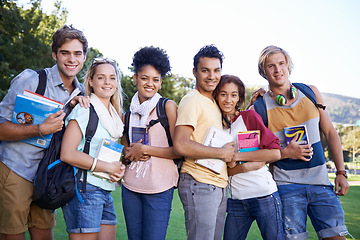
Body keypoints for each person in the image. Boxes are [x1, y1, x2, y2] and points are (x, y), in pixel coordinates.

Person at [249, 45, 349, 240]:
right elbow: (251, 150)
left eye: (281, 63)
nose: (278, 70)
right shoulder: (258, 107)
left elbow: (329, 132)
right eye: (271, 66)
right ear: (264, 71)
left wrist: (341, 172)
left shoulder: (310, 92)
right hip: (286, 187)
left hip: (321, 183)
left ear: (288, 66)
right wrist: (285, 152)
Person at [0, 25, 89, 240]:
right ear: (54, 54)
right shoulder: (32, 80)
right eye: (65, 52)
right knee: (12, 235)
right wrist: (40, 129)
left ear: (84, 57)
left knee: (44, 236)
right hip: (16, 169)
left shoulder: (82, 93)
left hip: (48, 177)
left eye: (77, 53)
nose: (71, 59)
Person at [173, 45, 235, 240]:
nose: (211, 76)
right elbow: (180, 144)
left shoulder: (215, 103)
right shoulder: (192, 100)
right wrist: (220, 153)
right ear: (195, 72)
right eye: (205, 70)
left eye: (216, 70)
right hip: (198, 183)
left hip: (217, 185)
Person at [60, 57, 125, 240]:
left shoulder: (114, 116)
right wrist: (107, 167)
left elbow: (106, 154)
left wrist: (117, 169)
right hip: (85, 189)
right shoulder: (84, 109)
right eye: (101, 77)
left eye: (112, 78)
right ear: (91, 81)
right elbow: (67, 153)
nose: (107, 82)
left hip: (105, 189)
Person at [213, 74, 284, 240]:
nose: (228, 100)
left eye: (233, 95)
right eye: (223, 94)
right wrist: (243, 167)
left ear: (239, 98)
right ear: (216, 95)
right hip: (236, 201)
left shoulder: (248, 117)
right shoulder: (214, 128)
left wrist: (236, 155)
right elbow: (221, 170)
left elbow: (275, 152)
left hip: (265, 196)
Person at [120, 46, 179, 240]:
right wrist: (128, 153)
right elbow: (124, 152)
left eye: (155, 79)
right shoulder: (127, 116)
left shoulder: (167, 107)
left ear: (160, 82)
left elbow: (179, 150)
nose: (150, 84)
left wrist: (145, 149)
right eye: (144, 78)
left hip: (160, 188)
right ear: (135, 78)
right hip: (131, 188)